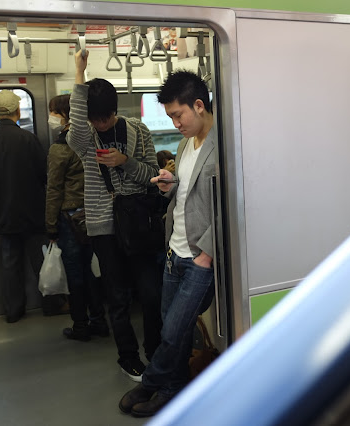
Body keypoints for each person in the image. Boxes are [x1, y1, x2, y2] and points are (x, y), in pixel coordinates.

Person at [119, 70, 216, 417]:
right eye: (171, 116)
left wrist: (208, 253)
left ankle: (151, 381)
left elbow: (231, 202)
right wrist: (169, 185)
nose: (175, 122)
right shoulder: (185, 143)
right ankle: (172, 389)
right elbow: (190, 192)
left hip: (200, 257)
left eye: (178, 114)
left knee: (175, 332)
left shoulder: (223, 145)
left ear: (199, 105)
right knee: (169, 326)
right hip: (175, 250)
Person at [67, 50, 162, 379]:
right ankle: (128, 356)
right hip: (104, 227)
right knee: (118, 298)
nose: (99, 124)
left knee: (151, 293)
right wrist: (79, 72)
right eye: (94, 118)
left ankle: (155, 350)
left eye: (104, 118)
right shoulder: (83, 137)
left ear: (114, 110)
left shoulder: (138, 129)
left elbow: (151, 173)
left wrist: (126, 164)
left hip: (137, 221)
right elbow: (78, 119)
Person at [0, 90, 48, 323]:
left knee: (10, 265)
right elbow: (44, 175)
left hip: (3, 214)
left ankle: (13, 311)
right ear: (17, 111)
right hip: (32, 212)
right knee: (41, 262)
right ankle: (51, 303)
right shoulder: (29, 139)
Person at [45, 94, 109, 341]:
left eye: (54, 113)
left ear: (64, 115)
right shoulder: (92, 140)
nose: (51, 118)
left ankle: (81, 326)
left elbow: (54, 190)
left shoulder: (60, 148)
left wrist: (51, 226)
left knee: (76, 273)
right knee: (93, 270)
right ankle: (99, 320)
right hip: (94, 212)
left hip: (70, 218)